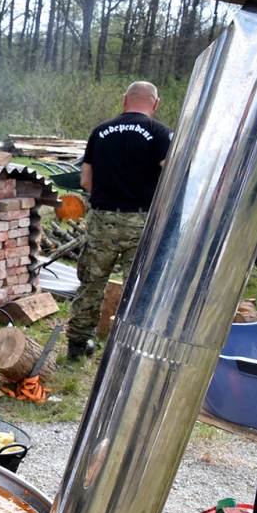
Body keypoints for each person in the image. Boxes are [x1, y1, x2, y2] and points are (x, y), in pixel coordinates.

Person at [67, 81, 172, 360]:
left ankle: (77, 346)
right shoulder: (159, 133)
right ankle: (131, 352)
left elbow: (85, 180)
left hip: (102, 219)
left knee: (91, 283)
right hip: (141, 222)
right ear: (155, 103)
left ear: (125, 99)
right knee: (138, 288)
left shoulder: (100, 131)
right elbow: (173, 175)